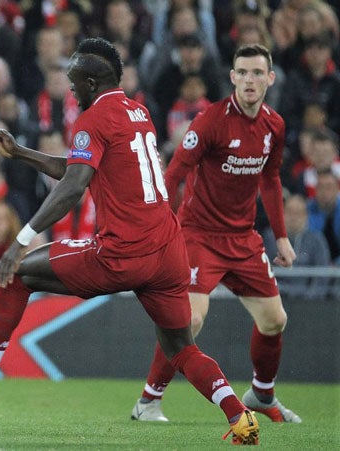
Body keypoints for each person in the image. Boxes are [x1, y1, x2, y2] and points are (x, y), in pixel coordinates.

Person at [0, 37, 261, 445]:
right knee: (180, 346)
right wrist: (22, 153)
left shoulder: (94, 119)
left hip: (123, 251)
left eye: (75, 81)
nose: (71, 89)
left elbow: (73, 186)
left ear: (93, 82)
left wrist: (20, 240)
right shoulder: (138, 112)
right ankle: (239, 416)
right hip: (168, 251)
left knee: (18, 274)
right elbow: (82, 167)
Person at [130, 43, 302, 425]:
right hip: (198, 235)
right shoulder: (210, 120)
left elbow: (271, 179)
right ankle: (148, 401)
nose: (250, 80)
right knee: (188, 320)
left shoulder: (275, 125)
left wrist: (283, 237)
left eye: (258, 73)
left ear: (270, 78)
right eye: (242, 73)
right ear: (232, 78)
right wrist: (163, 223)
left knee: (275, 320)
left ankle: (261, 394)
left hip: (242, 238)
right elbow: (174, 173)